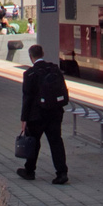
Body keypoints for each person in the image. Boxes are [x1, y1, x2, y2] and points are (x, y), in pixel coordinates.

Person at [17, 44, 70, 184]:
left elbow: (27, 97)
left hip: (37, 115)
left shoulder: (29, 74)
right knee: (56, 142)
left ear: (31, 57)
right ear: (43, 53)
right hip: (55, 113)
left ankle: (29, 171)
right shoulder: (54, 69)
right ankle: (62, 172)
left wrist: (24, 119)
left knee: (33, 142)